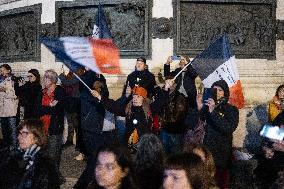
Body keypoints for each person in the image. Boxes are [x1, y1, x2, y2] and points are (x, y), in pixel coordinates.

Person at [91, 80, 173, 152]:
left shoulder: (150, 109)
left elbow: (161, 101)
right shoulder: (128, 109)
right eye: (133, 96)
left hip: (145, 145)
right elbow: (113, 107)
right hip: (129, 145)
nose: (135, 98)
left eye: (138, 96)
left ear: (143, 99)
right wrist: (99, 97)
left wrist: (166, 88)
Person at [196, 79, 239, 189]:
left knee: (220, 183)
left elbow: (228, 128)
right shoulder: (207, 106)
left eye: (220, 90)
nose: (217, 92)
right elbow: (198, 124)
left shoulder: (231, 109)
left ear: (225, 93)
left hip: (221, 154)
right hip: (206, 151)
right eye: (214, 89)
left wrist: (213, 111)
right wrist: (200, 107)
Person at [74, 68, 111, 189]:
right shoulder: (86, 77)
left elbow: (105, 95)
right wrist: (97, 94)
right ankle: (82, 185)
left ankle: (90, 183)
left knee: (95, 158)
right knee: (94, 159)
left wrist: (100, 93)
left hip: (97, 123)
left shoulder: (100, 76)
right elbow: (86, 97)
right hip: (90, 124)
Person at [0, 119, 60, 189]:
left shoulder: (46, 164)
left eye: (25, 134)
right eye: (19, 133)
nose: (19, 137)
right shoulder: (11, 156)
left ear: (37, 138)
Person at [39, 69, 66, 184]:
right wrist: (49, 108)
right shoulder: (42, 92)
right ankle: (49, 177)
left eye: (46, 78)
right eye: (44, 77)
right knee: (43, 154)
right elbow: (38, 109)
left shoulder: (60, 92)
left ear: (53, 80)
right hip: (42, 128)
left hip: (55, 128)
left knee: (53, 155)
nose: (44, 80)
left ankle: (54, 179)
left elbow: (57, 110)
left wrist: (48, 108)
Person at [59, 67, 80, 147]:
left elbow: (68, 83)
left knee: (76, 124)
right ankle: (69, 140)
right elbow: (66, 85)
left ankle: (79, 142)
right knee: (70, 123)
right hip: (68, 102)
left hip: (74, 102)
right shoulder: (69, 74)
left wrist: (61, 75)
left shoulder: (78, 74)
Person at [0, 64, 18, 149]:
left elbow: (15, 95)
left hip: (10, 110)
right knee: (5, 131)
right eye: (1, 70)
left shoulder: (13, 80)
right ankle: (6, 149)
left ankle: (14, 149)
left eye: (3, 70)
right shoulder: (2, 81)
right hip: (2, 111)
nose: (1, 72)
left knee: (12, 131)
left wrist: (5, 90)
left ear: (8, 70)